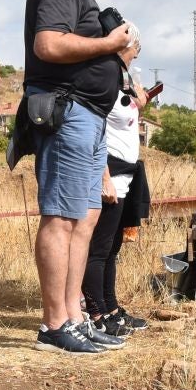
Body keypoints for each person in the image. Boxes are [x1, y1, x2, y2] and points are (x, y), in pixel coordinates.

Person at [21, 0, 138, 355]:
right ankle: (54, 324)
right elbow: (48, 44)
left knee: (84, 218)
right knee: (62, 217)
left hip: (87, 117)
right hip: (68, 113)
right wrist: (108, 43)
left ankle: (74, 317)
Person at [83, 74, 153, 338]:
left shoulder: (125, 81)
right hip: (110, 177)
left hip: (127, 176)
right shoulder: (103, 85)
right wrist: (104, 177)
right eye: (133, 51)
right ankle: (97, 313)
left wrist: (138, 96)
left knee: (112, 249)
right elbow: (96, 134)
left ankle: (111, 308)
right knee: (99, 250)